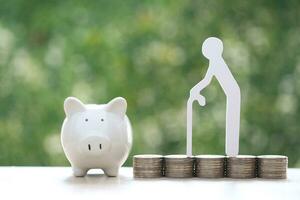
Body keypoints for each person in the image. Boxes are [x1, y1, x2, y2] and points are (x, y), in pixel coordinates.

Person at [189, 37, 241, 156]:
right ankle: (231, 152)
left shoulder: (216, 61)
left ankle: (232, 152)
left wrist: (195, 89)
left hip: (233, 93)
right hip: (231, 93)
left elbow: (207, 80)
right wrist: (195, 89)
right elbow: (207, 80)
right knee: (231, 118)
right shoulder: (215, 61)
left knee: (232, 119)